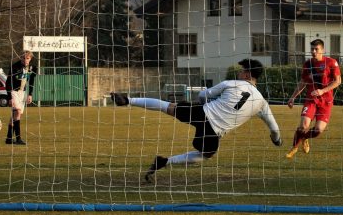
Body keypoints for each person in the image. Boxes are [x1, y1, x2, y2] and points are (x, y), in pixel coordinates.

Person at [111, 59, 282, 182]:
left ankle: (128, 100)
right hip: (214, 131)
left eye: (241, 70)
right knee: (206, 154)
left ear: (246, 74)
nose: (238, 73)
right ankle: (165, 161)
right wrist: (277, 141)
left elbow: (202, 95)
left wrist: (203, 107)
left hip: (202, 113)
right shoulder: (262, 103)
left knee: (167, 107)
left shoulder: (231, 83)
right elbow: (274, 129)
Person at [286, 39, 341, 158]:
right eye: (312, 49)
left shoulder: (331, 63)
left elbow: (338, 81)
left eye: (316, 49)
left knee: (318, 130)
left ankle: (305, 137)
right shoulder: (308, 64)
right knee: (304, 125)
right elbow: (302, 82)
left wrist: (323, 90)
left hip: (326, 101)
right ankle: (294, 148)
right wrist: (292, 97)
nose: (314, 51)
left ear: (323, 50)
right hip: (311, 100)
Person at [5, 51, 37, 145]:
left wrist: (30, 94)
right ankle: (18, 139)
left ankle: (9, 138)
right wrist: (9, 97)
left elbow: (31, 81)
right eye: (23, 58)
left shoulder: (32, 68)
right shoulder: (15, 67)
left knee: (15, 116)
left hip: (22, 93)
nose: (25, 60)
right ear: (20, 58)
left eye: (27, 58)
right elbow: (8, 82)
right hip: (14, 92)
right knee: (17, 112)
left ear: (30, 59)